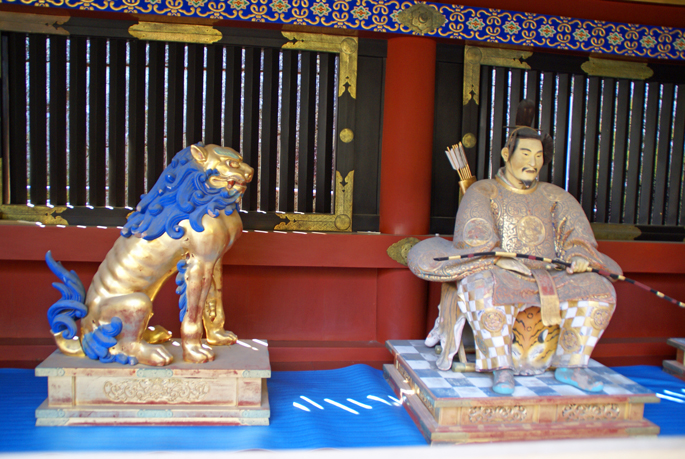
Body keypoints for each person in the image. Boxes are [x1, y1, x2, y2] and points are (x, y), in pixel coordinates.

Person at [407, 100, 621, 395]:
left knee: (600, 290)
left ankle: (571, 365)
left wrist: (580, 258)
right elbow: (475, 237)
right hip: (502, 273)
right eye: (525, 153)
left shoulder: (556, 196)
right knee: (479, 285)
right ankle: (501, 367)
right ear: (507, 154)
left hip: (552, 276)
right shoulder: (484, 190)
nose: (532, 161)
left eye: (538, 155)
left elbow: (577, 238)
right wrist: (499, 259)